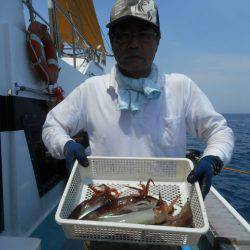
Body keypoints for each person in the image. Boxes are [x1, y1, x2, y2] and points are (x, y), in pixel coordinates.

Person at [42, 0, 234, 248]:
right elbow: (52, 125)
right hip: (105, 227)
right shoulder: (92, 90)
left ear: (158, 40)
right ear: (111, 42)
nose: (133, 43)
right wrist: (65, 144)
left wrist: (214, 158)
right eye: (123, 35)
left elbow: (219, 131)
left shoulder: (180, 87)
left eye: (143, 34)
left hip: (165, 223)